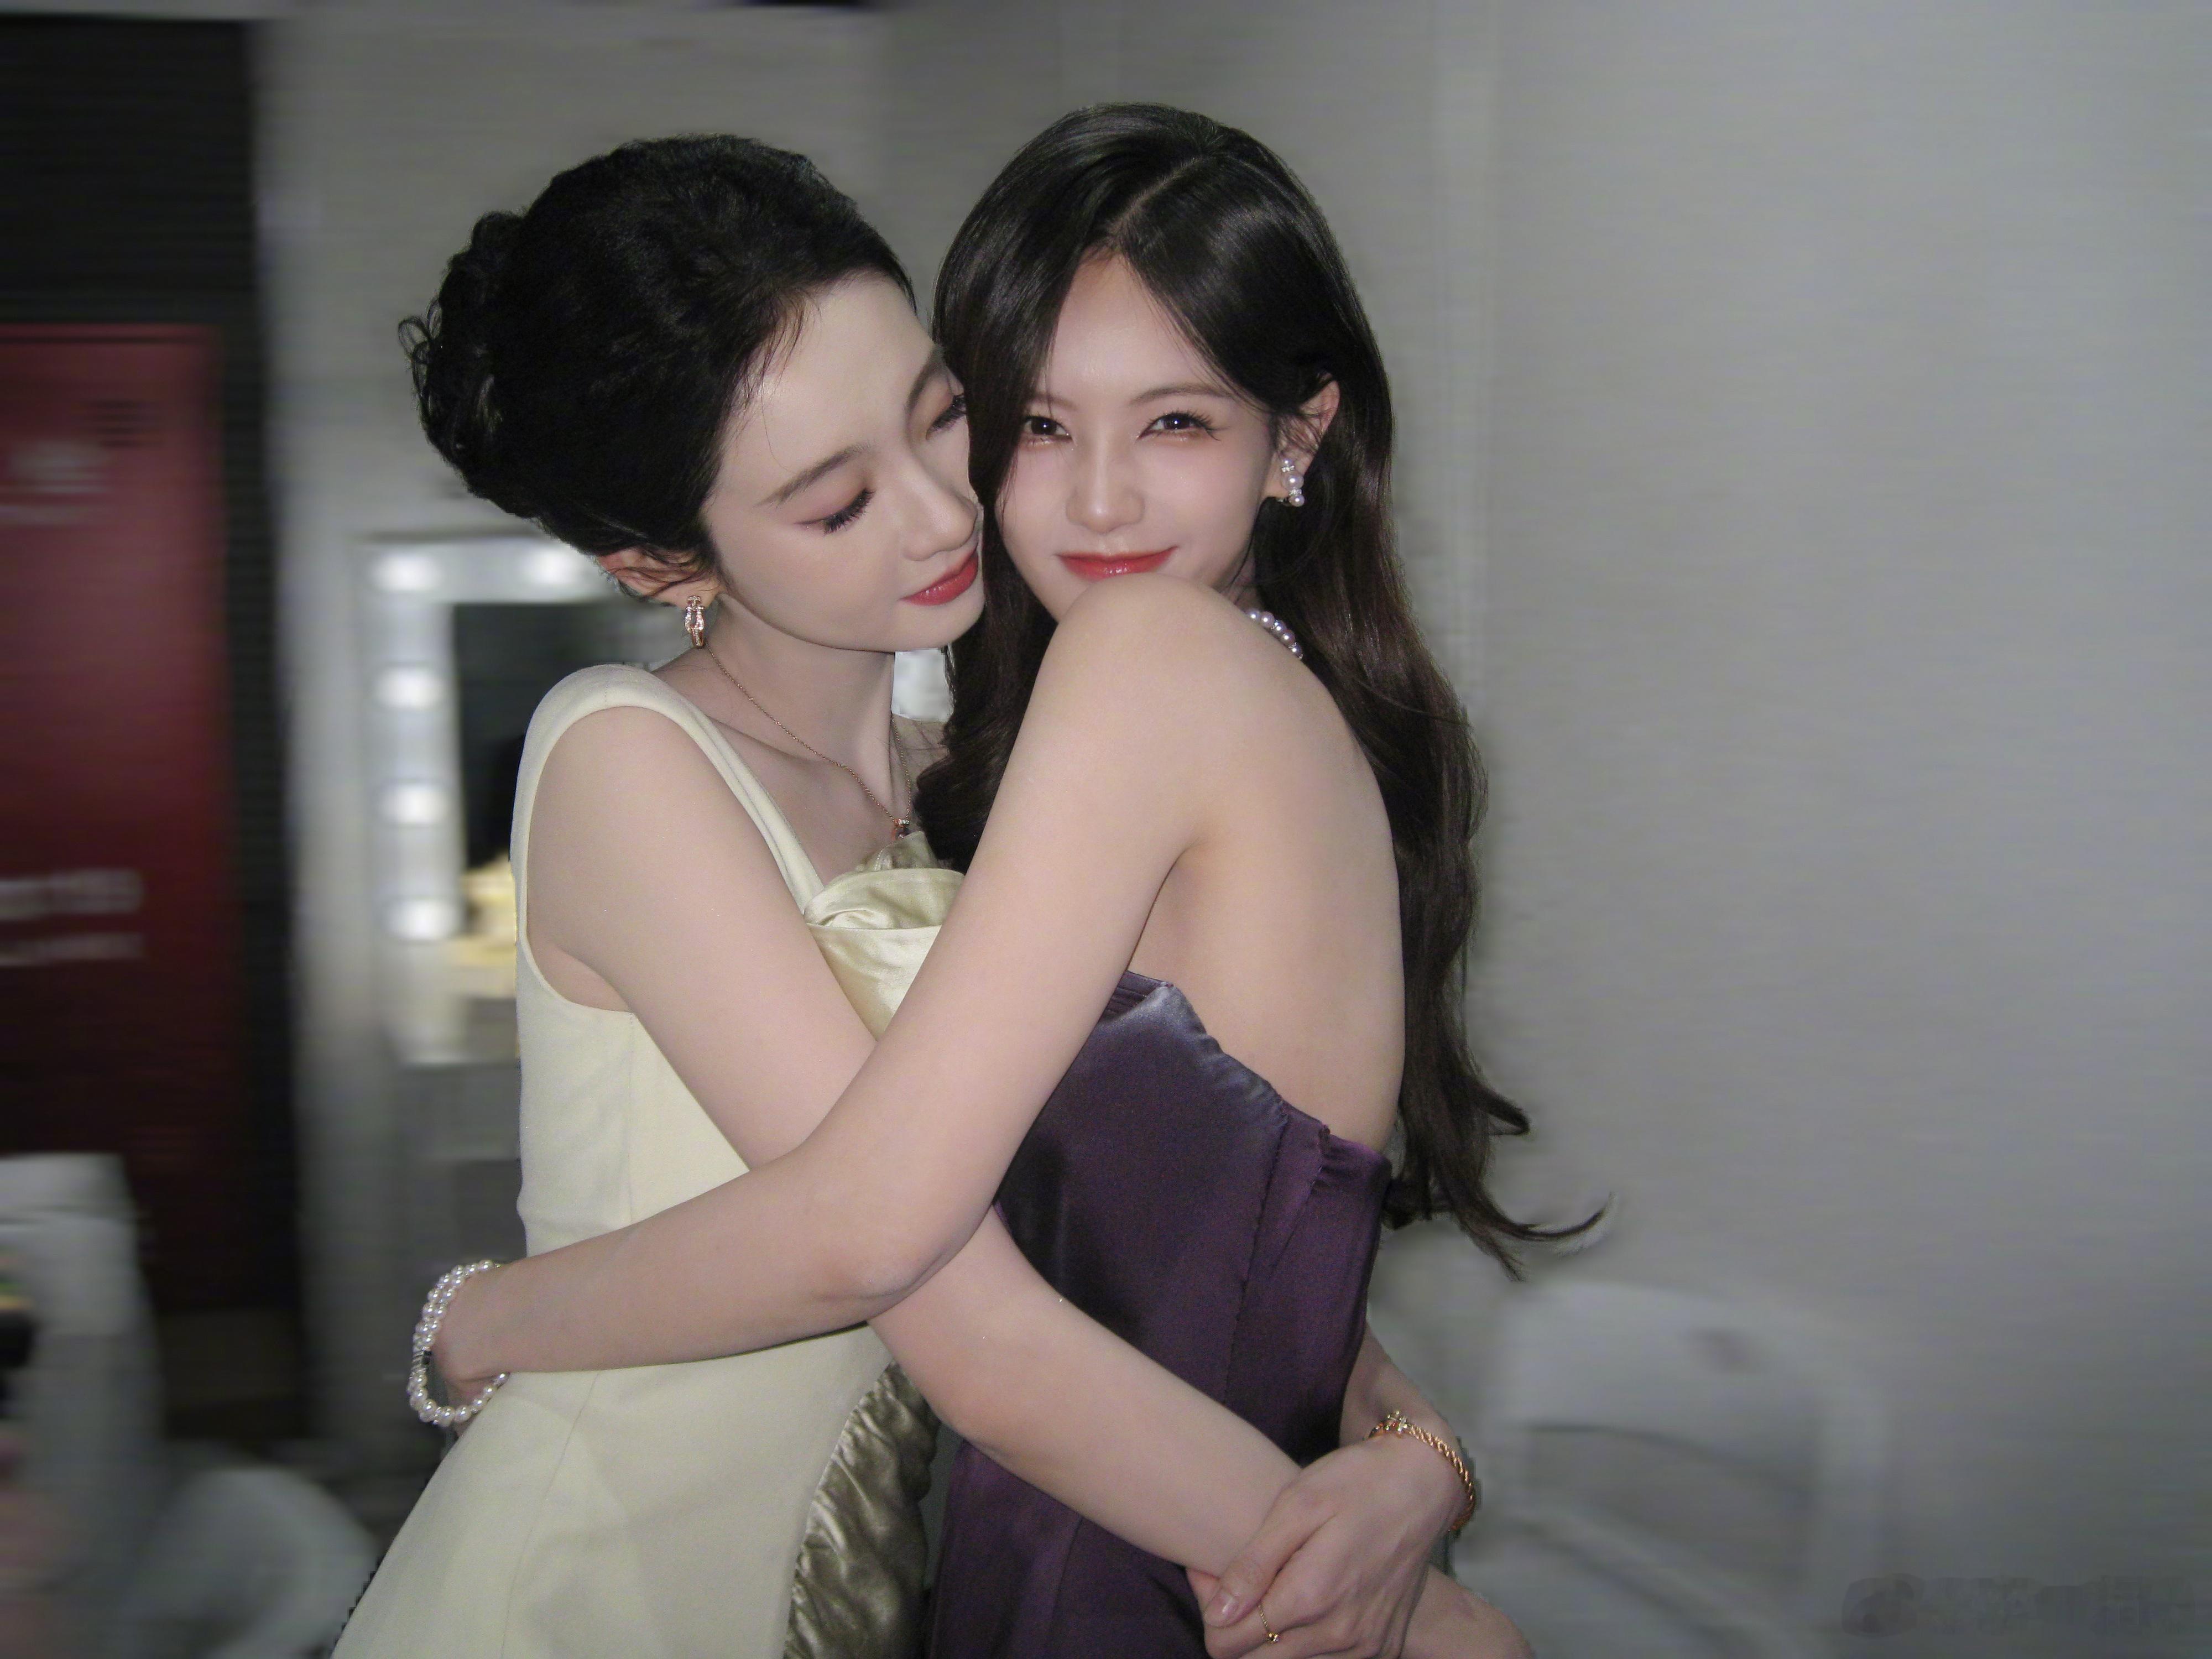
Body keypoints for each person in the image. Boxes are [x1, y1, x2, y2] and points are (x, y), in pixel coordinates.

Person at [335, 133, 1524, 1659]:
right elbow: (909, 1264)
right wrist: (476, 1322)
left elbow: (1151, 1223)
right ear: (659, 564)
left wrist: (1416, 1449)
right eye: (839, 502)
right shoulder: (629, 759)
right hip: (624, 1571)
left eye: (943, 416)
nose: (941, 514)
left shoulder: (972, 772)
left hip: (876, 1578)